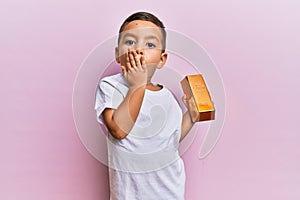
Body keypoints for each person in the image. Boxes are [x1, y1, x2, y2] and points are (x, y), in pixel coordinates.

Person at [95, 11, 195, 200]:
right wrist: (138, 85)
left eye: (150, 44)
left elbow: (169, 141)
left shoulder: (167, 97)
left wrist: (191, 117)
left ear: (161, 60)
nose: (138, 49)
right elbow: (118, 130)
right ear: (118, 54)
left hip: (170, 190)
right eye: (130, 42)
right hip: (130, 194)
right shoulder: (110, 86)